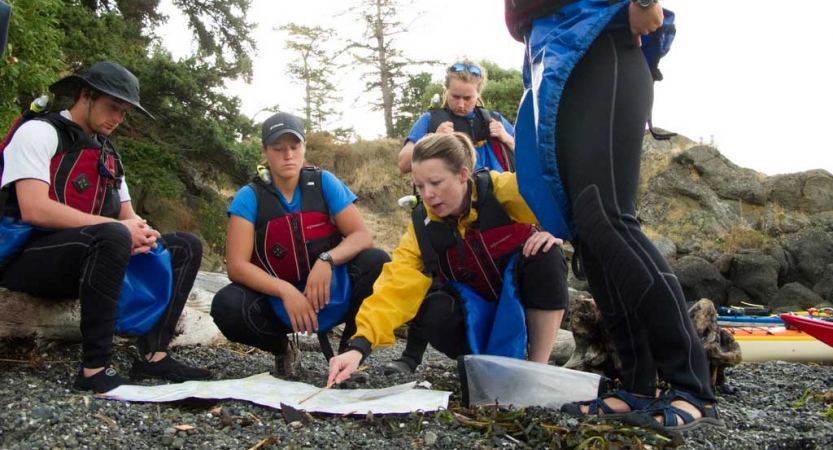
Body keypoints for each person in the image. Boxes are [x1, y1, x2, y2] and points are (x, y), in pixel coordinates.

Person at [506, 0, 724, 434]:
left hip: (601, 40)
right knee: (590, 233)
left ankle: (692, 386)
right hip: (555, 52)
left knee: (607, 218)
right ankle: (638, 384)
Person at [0, 61, 211, 393]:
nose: (118, 118)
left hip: (93, 256)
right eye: (113, 107)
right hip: (26, 258)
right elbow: (33, 208)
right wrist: (119, 229)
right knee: (113, 233)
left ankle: (153, 356)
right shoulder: (40, 132)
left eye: (124, 112)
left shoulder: (108, 155)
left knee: (184, 246)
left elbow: (128, 217)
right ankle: (94, 369)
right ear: (85, 95)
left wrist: (144, 234)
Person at [327, 132, 569, 386]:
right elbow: (393, 288)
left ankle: (537, 371)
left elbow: (556, 196)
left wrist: (557, 231)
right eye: (420, 186)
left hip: (521, 302)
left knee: (547, 253)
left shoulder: (501, 191)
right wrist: (358, 348)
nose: (428, 194)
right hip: (476, 316)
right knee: (435, 310)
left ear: (463, 175)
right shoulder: (423, 229)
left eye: (435, 182)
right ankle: (486, 369)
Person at [210, 112, 390, 380]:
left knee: (377, 262)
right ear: (265, 152)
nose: (288, 155)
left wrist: (327, 260)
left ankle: (349, 355)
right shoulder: (249, 197)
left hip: (331, 292)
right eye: (278, 148)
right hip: (278, 303)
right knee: (227, 305)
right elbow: (236, 266)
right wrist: (285, 291)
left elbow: (361, 236)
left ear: (304, 147)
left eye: (295, 147)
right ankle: (284, 348)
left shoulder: (323, 182)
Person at [397, 60, 515, 175]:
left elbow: (529, 156)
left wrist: (507, 138)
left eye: (467, 98)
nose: (461, 104)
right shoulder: (430, 120)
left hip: (497, 192)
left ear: (478, 94)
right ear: (447, 90)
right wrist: (433, 140)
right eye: (455, 96)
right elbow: (403, 165)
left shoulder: (494, 119)